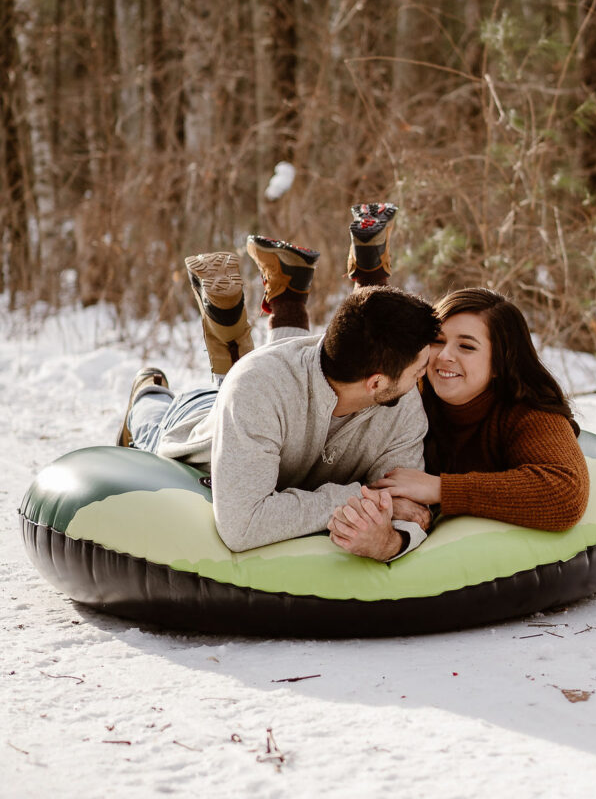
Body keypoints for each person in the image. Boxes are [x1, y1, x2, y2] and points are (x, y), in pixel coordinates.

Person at [117, 224, 441, 562]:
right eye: (418, 369)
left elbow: (411, 510)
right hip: (201, 430)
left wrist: (390, 536)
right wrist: (359, 497)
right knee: (153, 422)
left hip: (263, 416)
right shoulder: (257, 388)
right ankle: (147, 392)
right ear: (375, 382)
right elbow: (243, 527)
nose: (425, 375)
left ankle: (284, 294)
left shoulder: (402, 405)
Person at [328, 273, 590, 557]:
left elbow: (564, 494)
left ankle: (370, 275)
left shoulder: (527, 412)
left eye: (466, 346)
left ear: (499, 362)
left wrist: (442, 489)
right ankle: (349, 282)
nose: (444, 356)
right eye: (438, 341)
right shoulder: (403, 393)